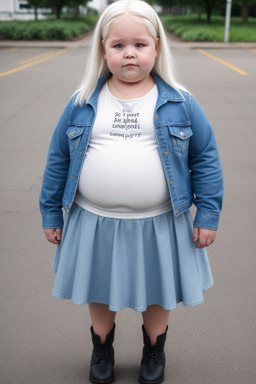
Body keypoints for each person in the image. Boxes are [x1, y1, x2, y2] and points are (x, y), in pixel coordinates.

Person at [39, 1, 224, 383]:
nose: (129, 54)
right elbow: (58, 157)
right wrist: (50, 212)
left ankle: (154, 349)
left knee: (157, 290)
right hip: (94, 219)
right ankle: (101, 346)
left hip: (160, 221)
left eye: (139, 45)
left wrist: (208, 214)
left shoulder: (180, 102)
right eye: (118, 45)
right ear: (103, 50)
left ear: (157, 48)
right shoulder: (82, 102)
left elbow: (205, 158)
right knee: (99, 286)